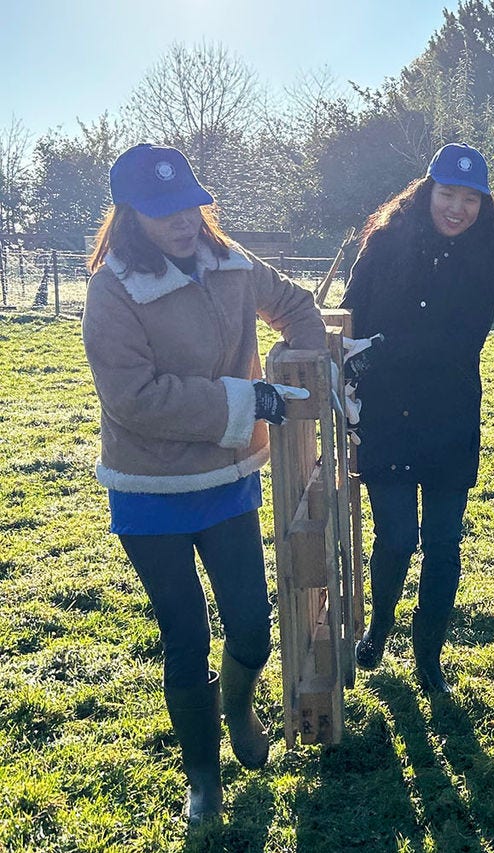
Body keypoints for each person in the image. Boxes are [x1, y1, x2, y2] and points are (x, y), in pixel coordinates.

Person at [81, 143, 327, 827]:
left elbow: (296, 305)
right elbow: (133, 398)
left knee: (251, 624)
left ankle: (239, 709)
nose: (183, 220)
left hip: (225, 480)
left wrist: (305, 366)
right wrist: (247, 400)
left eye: (189, 204)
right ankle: (203, 778)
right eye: (163, 211)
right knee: (185, 635)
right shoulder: (113, 289)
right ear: (131, 215)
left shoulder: (231, 263)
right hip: (149, 490)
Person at [339, 143, 494, 693]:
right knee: (396, 536)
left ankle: (428, 656)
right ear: (427, 192)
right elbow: (350, 312)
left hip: (447, 418)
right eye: (448, 194)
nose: (457, 208)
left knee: (443, 544)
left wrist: (381, 348)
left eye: (470, 199)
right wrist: (352, 355)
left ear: (483, 205)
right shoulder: (384, 242)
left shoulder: (488, 258)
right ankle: (379, 626)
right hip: (388, 416)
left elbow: (460, 343)